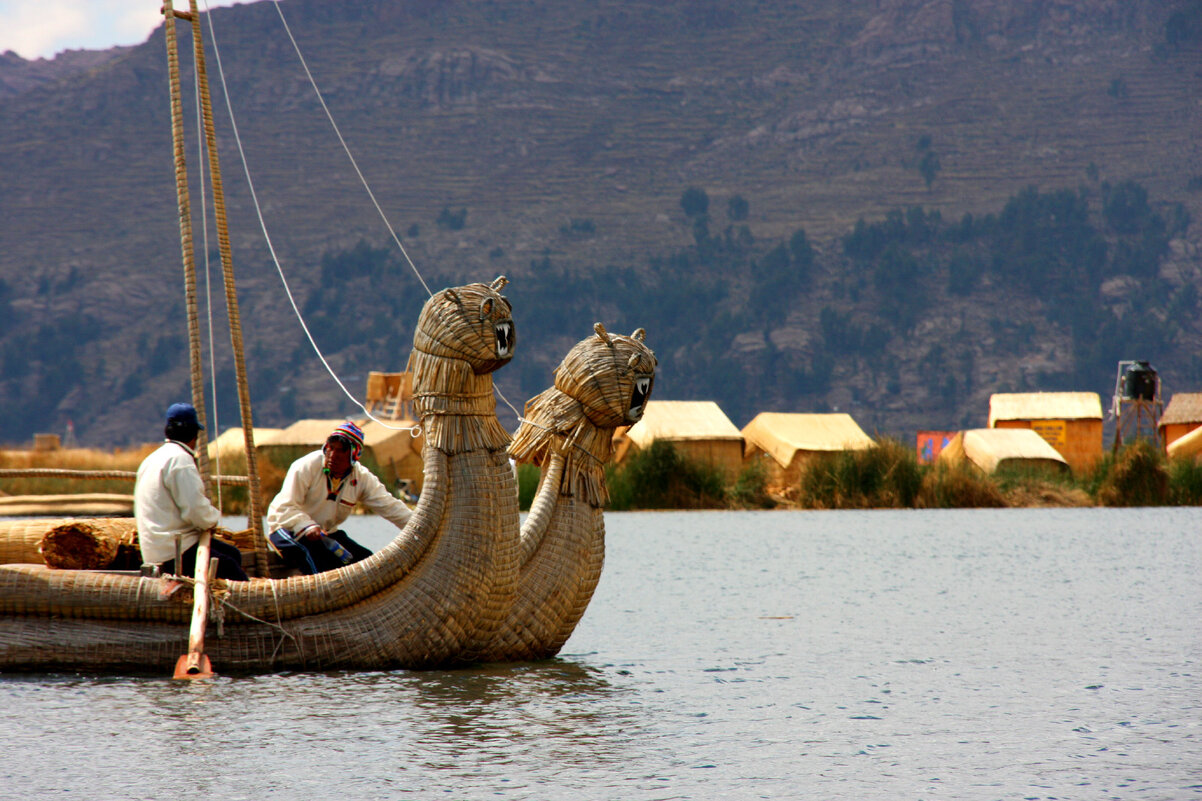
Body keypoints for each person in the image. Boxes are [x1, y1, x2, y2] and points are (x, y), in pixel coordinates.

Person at [265, 420, 413, 575]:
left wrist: (421, 528)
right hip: (287, 528)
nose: (333, 456)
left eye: (340, 451)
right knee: (316, 562)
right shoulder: (306, 466)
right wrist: (306, 525)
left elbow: (391, 507)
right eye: (330, 449)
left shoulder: (361, 478)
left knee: (365, 561)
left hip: (325, 534)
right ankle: (324, 597)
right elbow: (286, 507)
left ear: (353, 455)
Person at [134, 402, 248, 581]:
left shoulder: (152, 459)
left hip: (153, 550)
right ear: (194, 433)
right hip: (175, 552)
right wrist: (212, 520)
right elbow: (195, 510)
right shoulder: (181, 460)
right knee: (232, 569)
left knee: (232, 553)